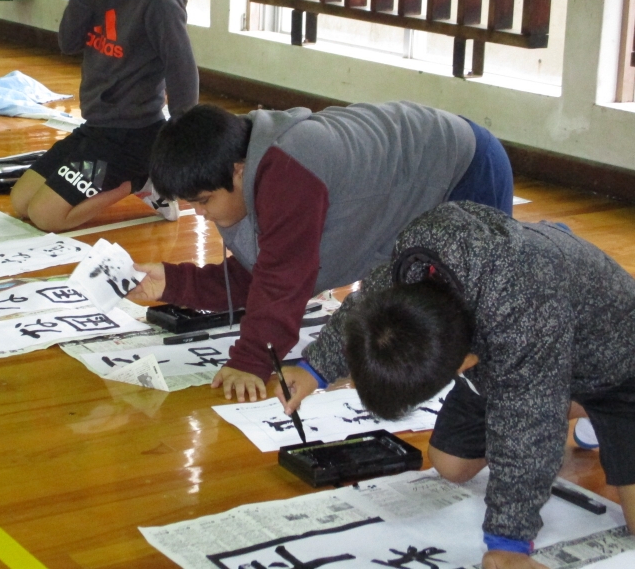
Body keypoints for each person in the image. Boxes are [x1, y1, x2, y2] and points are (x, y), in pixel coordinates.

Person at [278, 201, 635, 569]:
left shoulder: (523, 311)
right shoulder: (416, 261)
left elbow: (528, 426)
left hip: (616, 365)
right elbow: (369, 305)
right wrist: (313, 369)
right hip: (520, 349)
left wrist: (508, 542)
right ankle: (568, 402)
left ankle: (582, 405)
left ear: (464, 364)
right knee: (450, 465)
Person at [127, 101, 514, 400]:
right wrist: (171, 282)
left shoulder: (288, 171)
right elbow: (259, 273)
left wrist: (251, 360)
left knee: (479, 322)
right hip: (425, 166)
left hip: (466, 169)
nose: (200, 213)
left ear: (238, 171)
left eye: (203, 201)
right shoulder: (237, 154)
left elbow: (282, 279)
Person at [10, 0, 199, 232]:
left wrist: (181, 136)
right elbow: (68, 44)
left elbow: (181, 67)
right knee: (20, 202)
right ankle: (136, 176)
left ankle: (141, 179)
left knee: (46, 216)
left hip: (131, 137)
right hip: (96, 129)